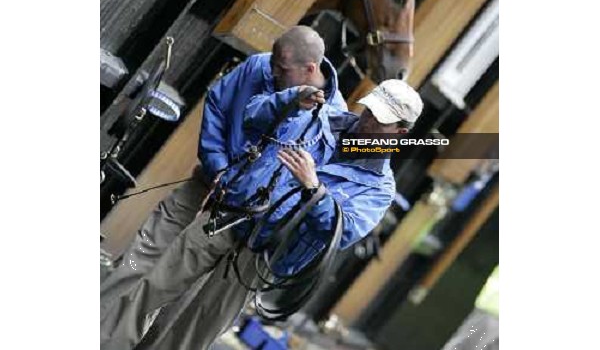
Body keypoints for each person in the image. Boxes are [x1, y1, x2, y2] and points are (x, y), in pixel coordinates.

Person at [116, 79, 424, 350]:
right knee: (151, 288)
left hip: (264, 256)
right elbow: (252, 118)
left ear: (401, 132)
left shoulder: (379, 188)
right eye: (369, 111)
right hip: (230, 214)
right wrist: (288, 102)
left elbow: (342, 232)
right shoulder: (320, 116)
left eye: (379, 121)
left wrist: (314, 189)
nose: (367, 121)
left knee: (195, 331)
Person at [100, 26, 346, 346]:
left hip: (239, 218)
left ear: (310, 69)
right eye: (273, 61)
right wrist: (217, 163)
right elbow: (216, 104)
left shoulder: (333, 117)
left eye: (282, 68)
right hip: (204, 186)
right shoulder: (259, 66)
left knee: (179, 300)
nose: (272, 69)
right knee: (140, 260)